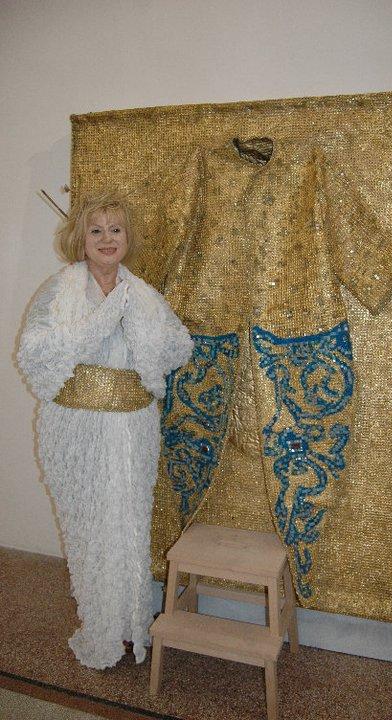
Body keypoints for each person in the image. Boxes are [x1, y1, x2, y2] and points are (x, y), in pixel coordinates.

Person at [16, 189, 194, 669]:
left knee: (129, 524)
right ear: (80, 238)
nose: (107, 238)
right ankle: (100, 627)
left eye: (116, 229)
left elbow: (179, 346)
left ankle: (130, 623)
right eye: (96, 230)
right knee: (89, 528)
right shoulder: (58, 290)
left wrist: (140, 331)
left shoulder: (145, 295)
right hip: (75, 427)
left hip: (134, 428)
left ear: (128, 238)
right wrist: (104, 319)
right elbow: (35, 351)